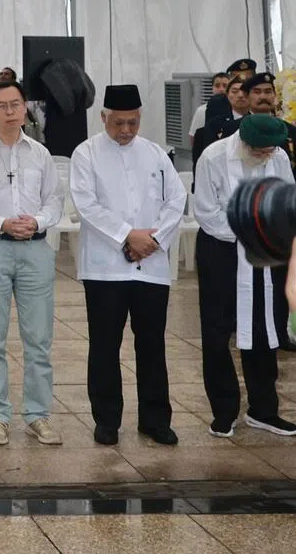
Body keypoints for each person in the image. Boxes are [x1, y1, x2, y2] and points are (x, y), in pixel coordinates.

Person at [69, 85, 186, 446]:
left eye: (133, 122)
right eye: (118, 123)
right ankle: (107, 420)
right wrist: (127, 236)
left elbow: (176, 199)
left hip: (151, 266)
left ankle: (155, 419)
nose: (125, 130)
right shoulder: (86, 153)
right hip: (105, 269)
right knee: (105, 345)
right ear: (103, 117)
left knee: (152, 344)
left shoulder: (154, 153)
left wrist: (153, 241)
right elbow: (86, 205)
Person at [0, 80, 65, 446]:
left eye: (15, 104)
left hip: (35, 249)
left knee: (39, 338)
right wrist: (1, 223)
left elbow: (54, 200)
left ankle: (38, 414)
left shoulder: (40, 153)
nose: (9, 111)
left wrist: (37, 221)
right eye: (1, 105)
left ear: (25, 108)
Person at [195, 113, 296, 438]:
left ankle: (263, 410)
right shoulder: (213, 157)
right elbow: (206, 213)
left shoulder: (278, 156)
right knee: (217, 332)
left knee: (265, 328)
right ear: (245, 143)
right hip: (222, 252)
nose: (267, 156)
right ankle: (224, 411)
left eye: (271, 150)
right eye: (261, 150)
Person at [189, 72, 230, 145]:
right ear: (212, 88)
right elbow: (193, 138)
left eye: (225, 86)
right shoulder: (201, 110)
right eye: (217, 86)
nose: (221, 89)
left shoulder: (236, 109)